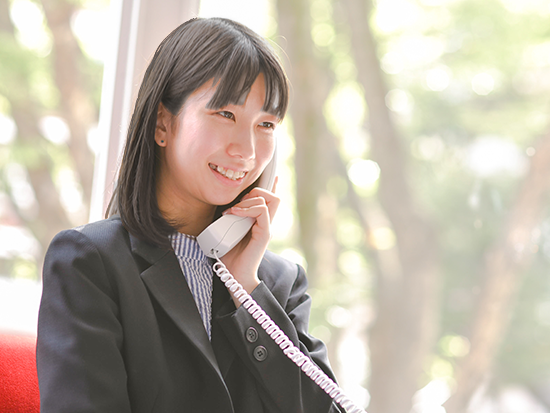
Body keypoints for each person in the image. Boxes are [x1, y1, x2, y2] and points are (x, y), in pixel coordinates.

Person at [37, 17, 343, 413]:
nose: (247, 151)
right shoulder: (90, 262)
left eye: (266, 124)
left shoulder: (277, 284)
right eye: (226, 115)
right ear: (163, 123)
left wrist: (246, 290)